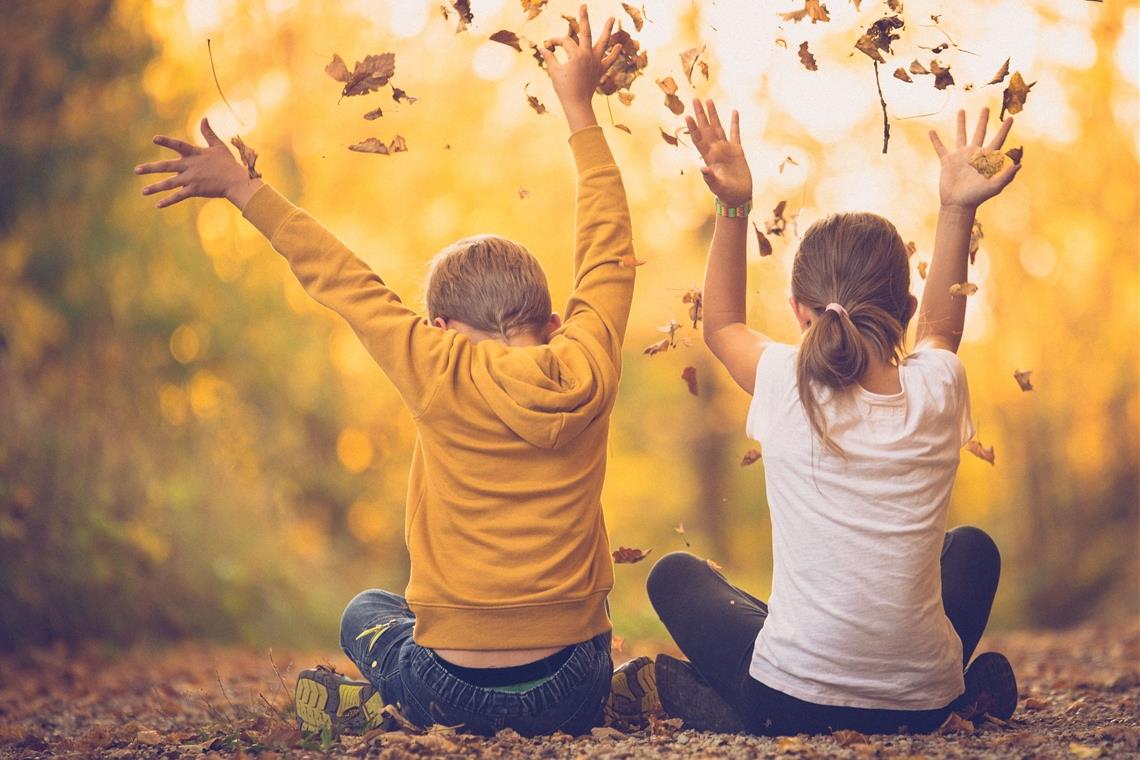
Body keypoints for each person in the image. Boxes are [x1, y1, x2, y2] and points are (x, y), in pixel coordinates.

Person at [135, 6, 635, 737]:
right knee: (579, 637)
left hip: (452, 688)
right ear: (554, 321)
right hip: (573, 688)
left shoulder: (432, 363)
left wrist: (244, 189)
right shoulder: (588, 359)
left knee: (366, 613)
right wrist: (578, 108)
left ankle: (390, 705)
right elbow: (608, 248)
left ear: (440, 328)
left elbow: (343, 279)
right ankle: (553, 696)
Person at [609, 100, 1023, 736]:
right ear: (904, 308)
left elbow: (721, 325)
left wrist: (734, 206)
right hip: (923, 704)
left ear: (800, 311)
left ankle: (687, 693)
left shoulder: (783, 381)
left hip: (793, 699)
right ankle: (953, 696)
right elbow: (944, 327)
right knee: (971, 550)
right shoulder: (940, 386)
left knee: (674, 576)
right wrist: (956, 207)